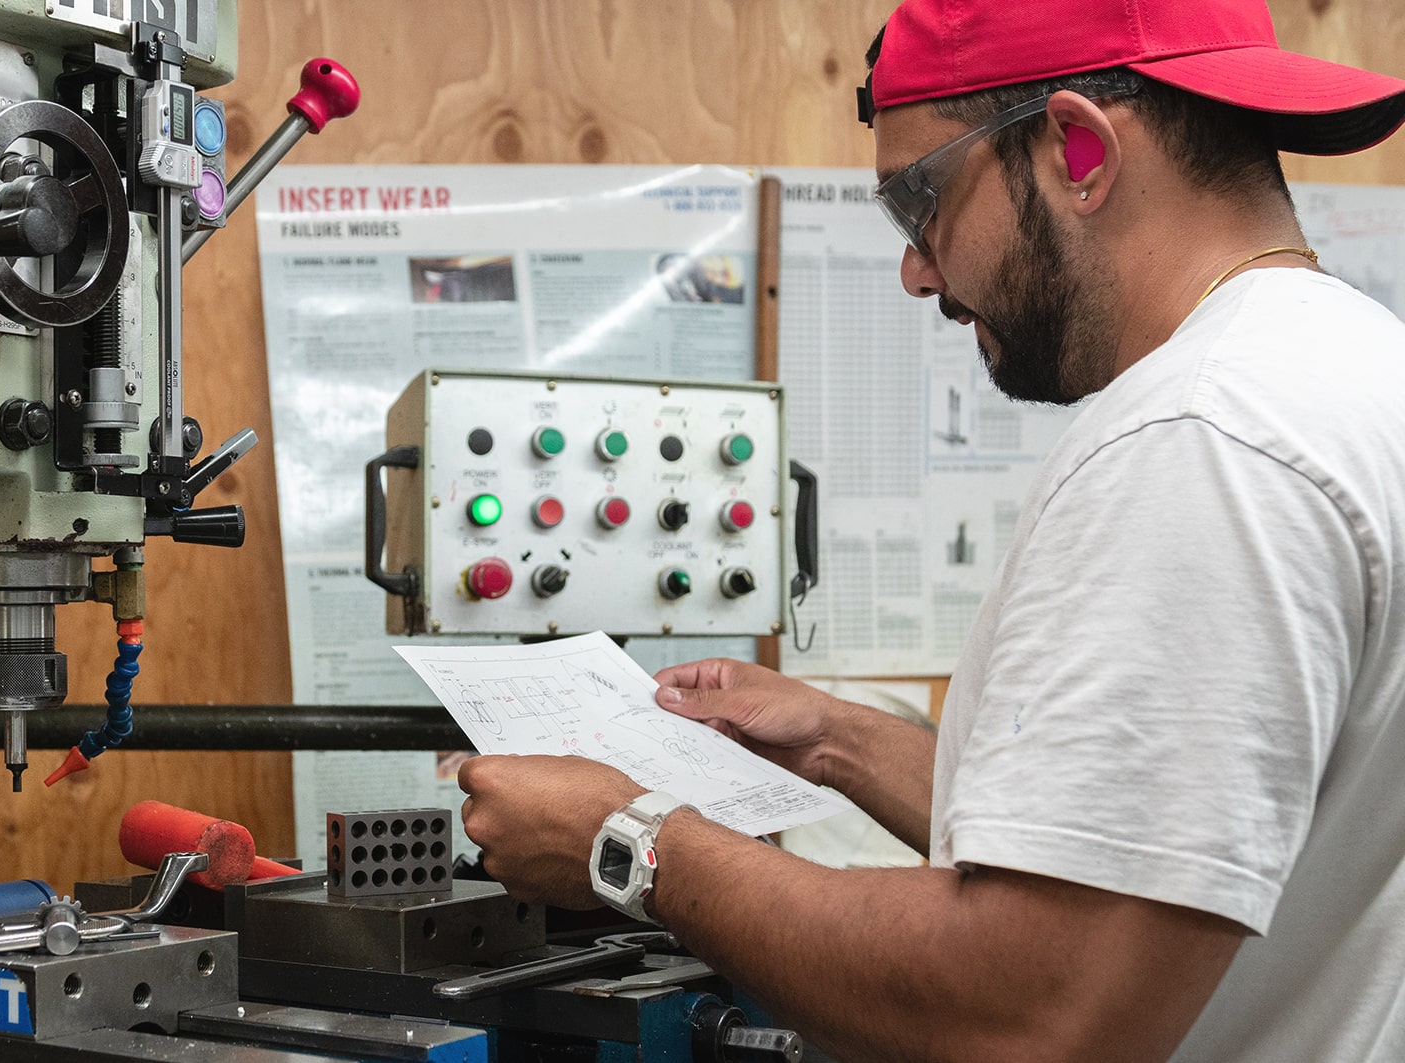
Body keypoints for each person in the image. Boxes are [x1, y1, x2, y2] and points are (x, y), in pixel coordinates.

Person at [457, 1, 1405, 1059]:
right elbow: (1169, 843)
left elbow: (1029, 1009)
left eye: (922, 198)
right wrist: (835, 740)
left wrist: (623, 838)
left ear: (1077, 149)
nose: (915, 269)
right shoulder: (1353, 373)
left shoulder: (1196, 441)